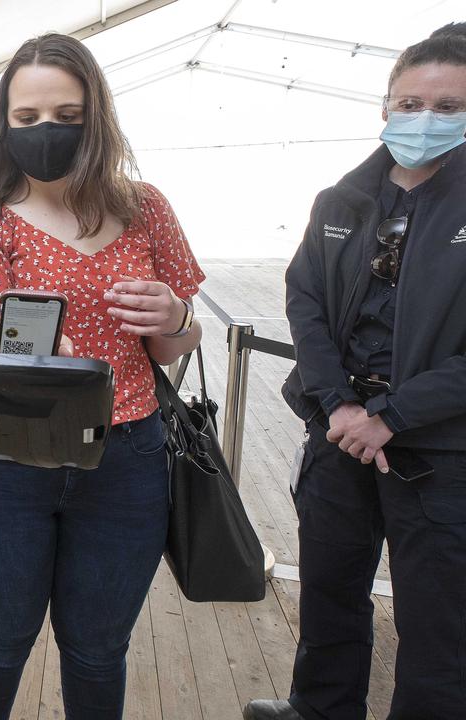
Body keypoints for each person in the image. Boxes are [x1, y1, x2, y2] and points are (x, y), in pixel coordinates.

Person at [0, 34, 205, 719]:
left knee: (97, 650)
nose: (45, 131)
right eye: (26, 119)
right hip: (15, 459)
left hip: (129, 456)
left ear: (96, 116)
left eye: (66, 114)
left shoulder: (146, 209)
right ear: (4, 123)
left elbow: (174, 347)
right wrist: (3, 348)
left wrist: (174, 314)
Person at [245, 22, 466, 720]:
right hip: (339, 433)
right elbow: (304, 300)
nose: (423, 119)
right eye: (409, 103)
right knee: (331, 592)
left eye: (448, 107)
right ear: (385, 108)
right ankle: (320, 709)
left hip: (439, 450)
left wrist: (392, 417)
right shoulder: (342, 200)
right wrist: (339, 406)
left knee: (438, 622)